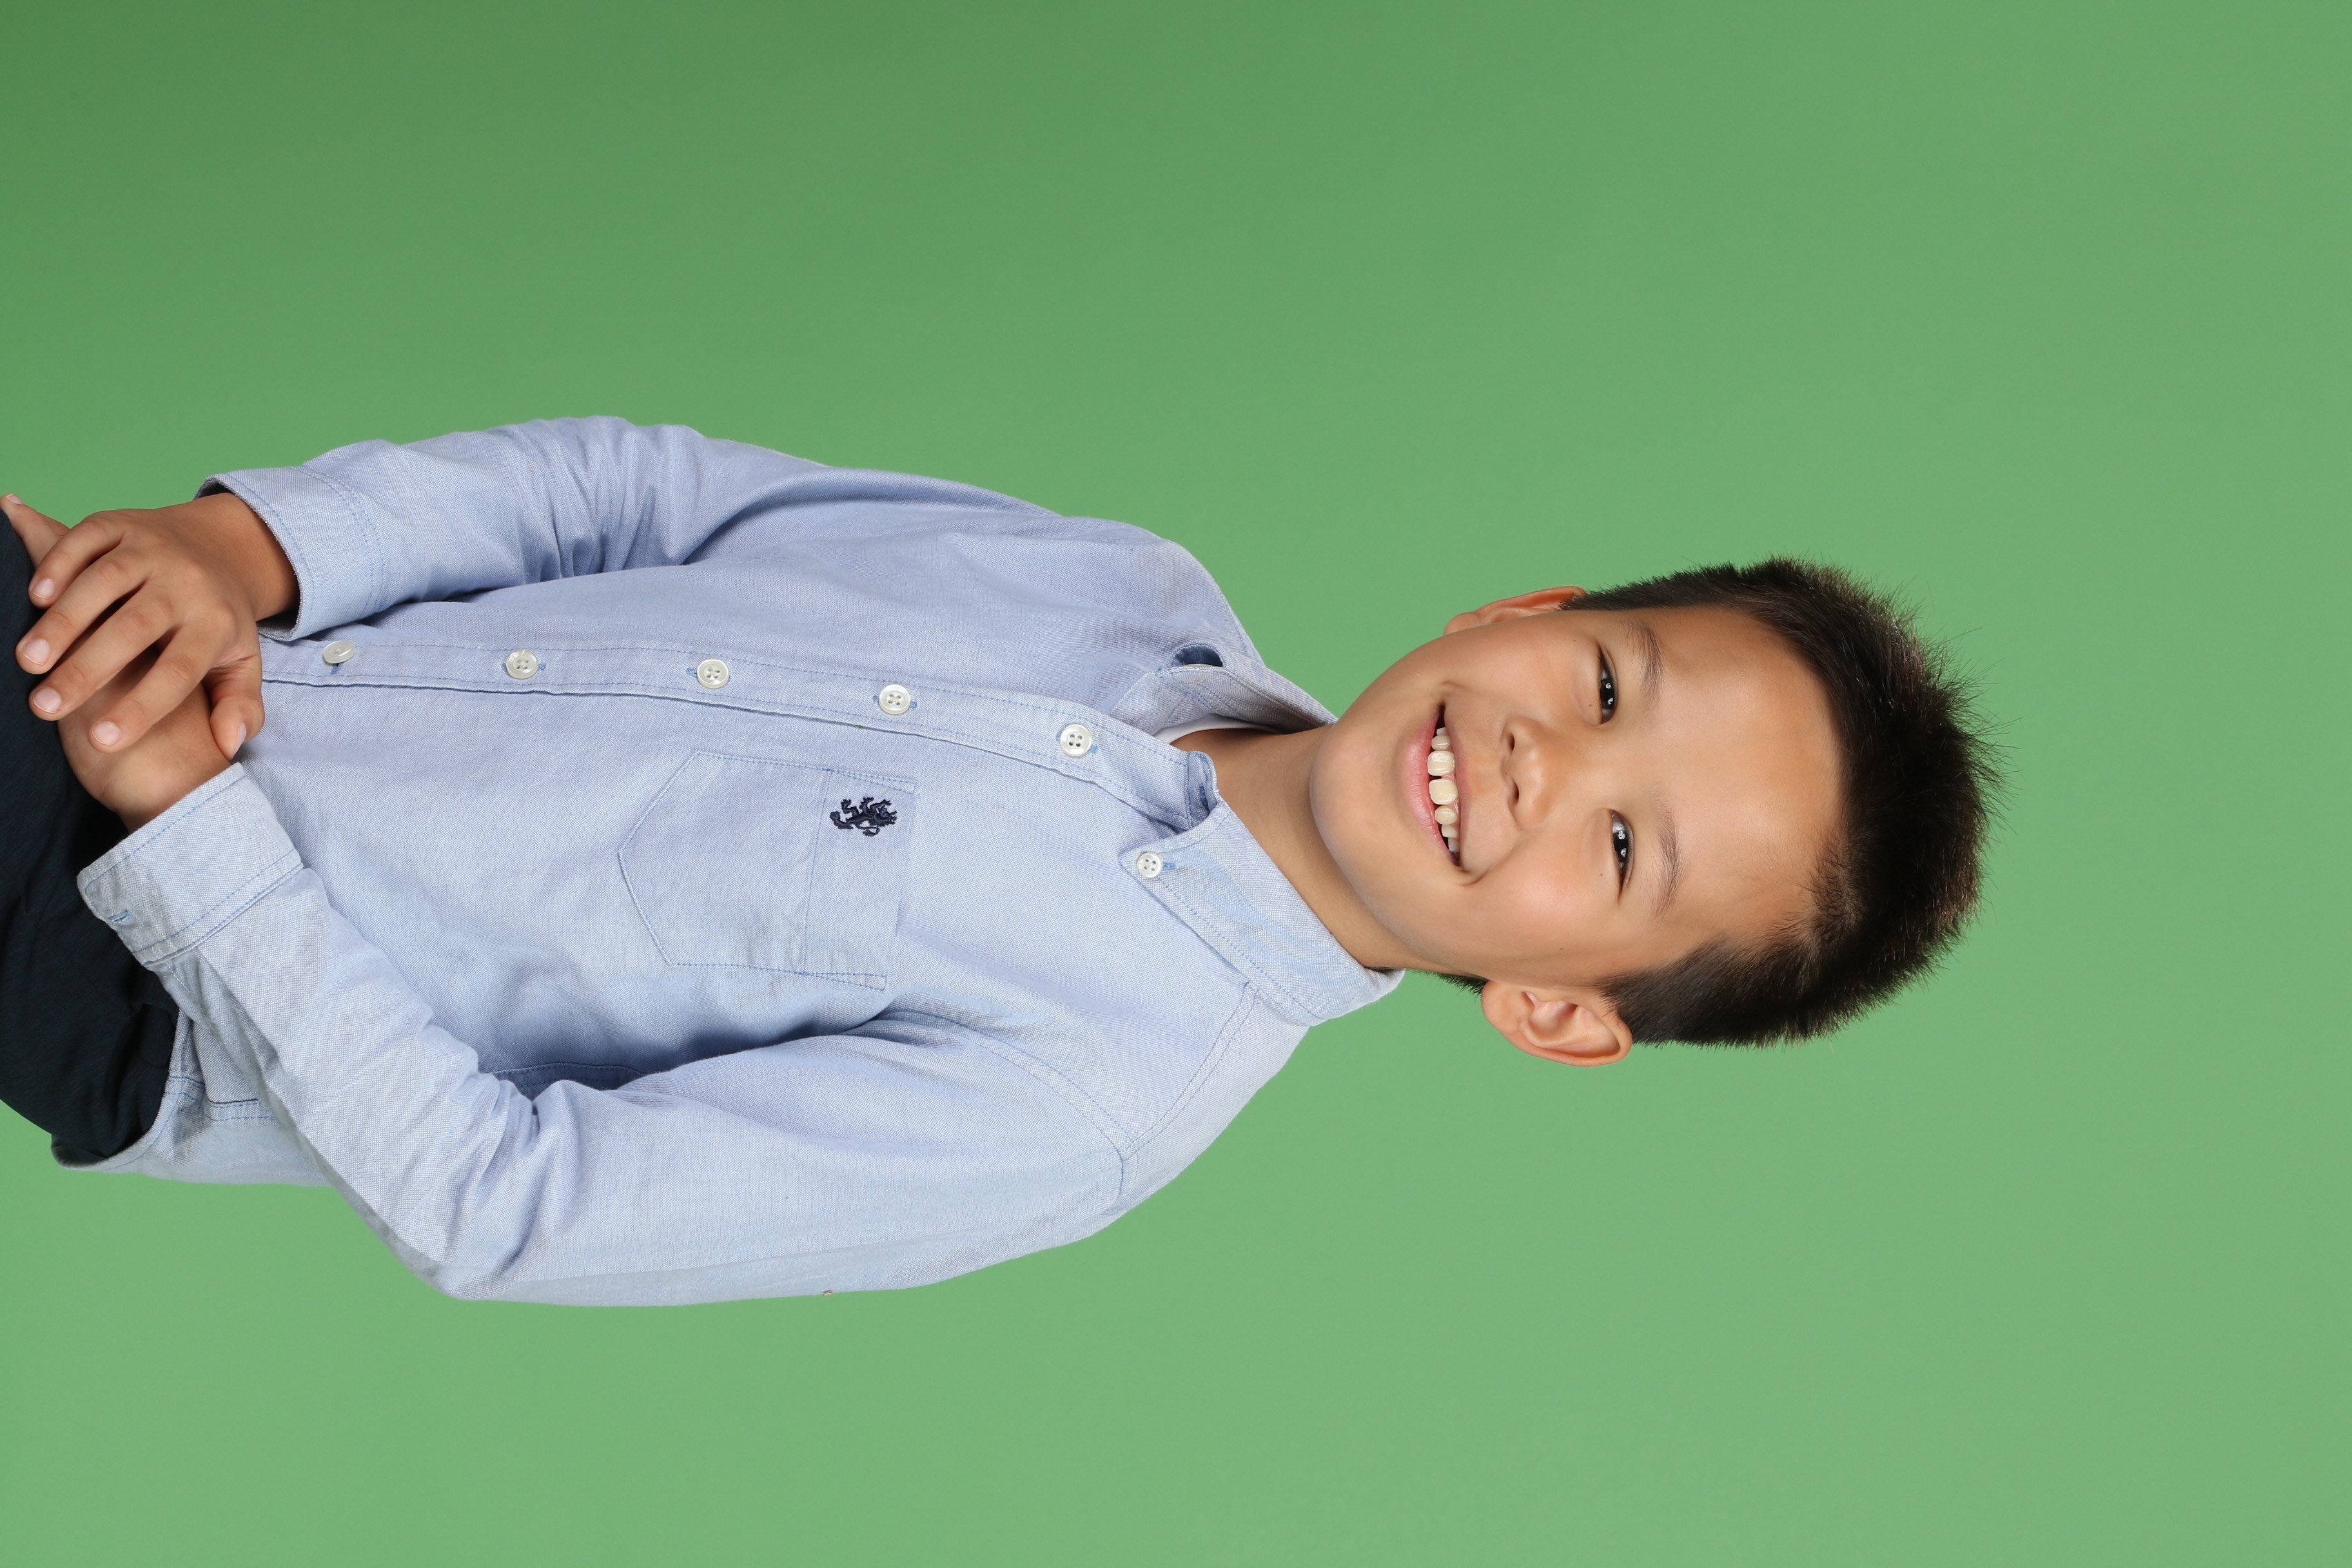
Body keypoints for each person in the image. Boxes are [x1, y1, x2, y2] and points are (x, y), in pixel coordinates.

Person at [1, 420, 1995, 1304]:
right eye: (1609, 681)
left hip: (139, 962)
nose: (1549, 762)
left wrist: (185, 821)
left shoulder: (1088, 1102)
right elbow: (644, 495)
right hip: (185, 651)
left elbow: (508, 1204)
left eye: (1627, 847)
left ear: (1563, 1010)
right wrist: (240, 550)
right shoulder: (1128, 584)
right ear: (1527, 607)